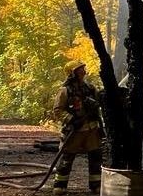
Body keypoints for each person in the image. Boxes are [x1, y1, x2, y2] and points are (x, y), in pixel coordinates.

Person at [52, 60, 103, 195]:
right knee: (67, 158)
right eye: (79, 69)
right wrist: (71, 120)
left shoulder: (91, 89)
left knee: (95, 158)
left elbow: (99, 103)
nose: (83, 71)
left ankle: (95, 185)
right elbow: (57, 110)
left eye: (83, 68)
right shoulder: (65, 91)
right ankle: (60, 186)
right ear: (72, 73)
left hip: (91, 130)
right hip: (74, 131)